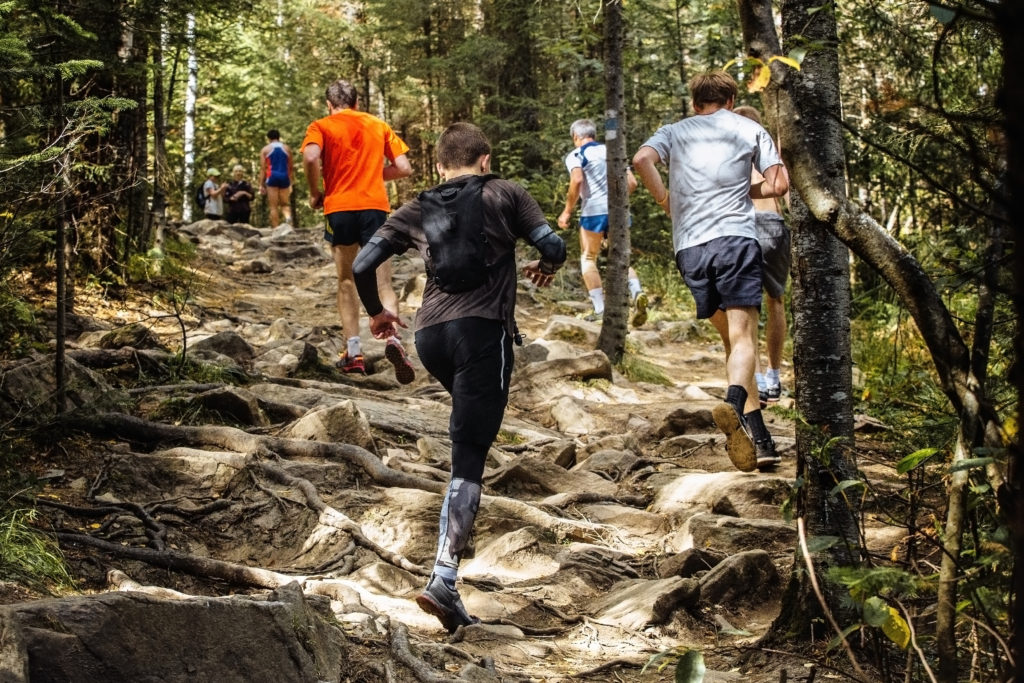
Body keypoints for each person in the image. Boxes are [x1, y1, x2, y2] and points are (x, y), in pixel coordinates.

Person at [351, 122, 567, 633]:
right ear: (485, 160)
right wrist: (545, 264)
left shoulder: (417, 208)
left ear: (441, 166)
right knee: (468, 456)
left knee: (469, 427)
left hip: (430, 339)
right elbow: (553, 247)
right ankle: (443, 578)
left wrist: (379, 315)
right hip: (482, 334)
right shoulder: (507, 193)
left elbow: (363, 264)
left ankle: (452, 572)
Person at [632, 70, 789, 471]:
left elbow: (640, 160)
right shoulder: (749, 128)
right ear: (732, 100)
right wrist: (746, 188)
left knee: (733, 344)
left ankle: (761, 439)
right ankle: (734, 403)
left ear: (694, 102)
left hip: (690, 249)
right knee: (744, 340)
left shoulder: (674, 130)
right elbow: (779, 184)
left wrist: (666, 198)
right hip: (735, 240)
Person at [301, 78, 416, 383]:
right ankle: (393, 339)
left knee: (346, 280)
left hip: (338, 207)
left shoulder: (321, 126)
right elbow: (404, 168)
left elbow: (311, 157)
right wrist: (373, 174)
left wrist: (315, 193)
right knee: (383, 279)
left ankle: (354, 353)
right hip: (375, 207)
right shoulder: (377, 124)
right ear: (356, 103)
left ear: (329, 104)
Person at [557, 119, 648, 326]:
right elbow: (632, 183)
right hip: (618, 211)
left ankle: (600, 309)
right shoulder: (612, 150)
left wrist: (567, 211)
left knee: (588, 257)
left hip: (593, 211)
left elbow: (577, 180)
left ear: (576, 137)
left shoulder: (577, 154)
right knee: (623, 258)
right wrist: (617, 200)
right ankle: (637, 294)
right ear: (594, 135)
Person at [733, 105, 791, 406]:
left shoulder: (731, 149)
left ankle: (754, 377)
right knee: (776, 299)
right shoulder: (771, 152)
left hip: (743, 227)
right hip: (773, 225)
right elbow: (786, 192)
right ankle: (774, 375)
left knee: (746, 305)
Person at [260, 129, 293, 227]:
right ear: (279, 137)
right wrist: (291, 181)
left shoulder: (265, 150)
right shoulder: (287, 149)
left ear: (269, 138)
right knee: (285, 204)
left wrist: (261, 184)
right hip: (284, 177)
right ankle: (289, 224)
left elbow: (263, 168)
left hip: (272, 177)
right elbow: (291, 166)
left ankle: (276, 229)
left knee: (273, 206)